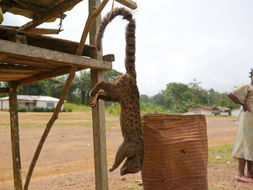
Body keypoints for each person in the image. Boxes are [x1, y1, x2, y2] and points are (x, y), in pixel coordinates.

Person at [227, 69, 253, 183]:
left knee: (251, 145)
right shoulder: (247, 87)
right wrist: (242, 104)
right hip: (247, 120)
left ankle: (250, 173)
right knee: (245, 144)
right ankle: (240, 174)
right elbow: (230, 94)